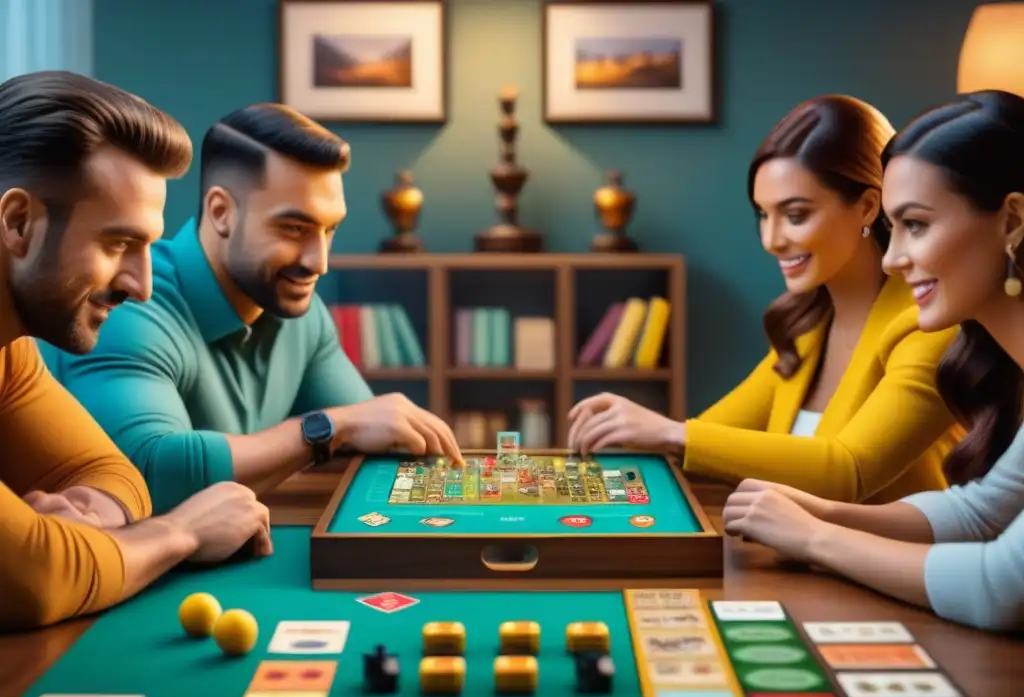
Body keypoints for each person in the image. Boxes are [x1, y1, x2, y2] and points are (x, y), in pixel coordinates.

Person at [42, 103, 463, 514]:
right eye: (294, 229)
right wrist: (328, 429)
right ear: (221, 212)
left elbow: (372, 431)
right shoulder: (132, 306)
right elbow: (146, 470)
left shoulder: (302, 313)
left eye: (329, 229)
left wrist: (360, 428)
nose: (318, 261)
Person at [722, 90, 1024, 633]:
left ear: (1012, 220)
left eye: (917, 225)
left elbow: (1000, 587)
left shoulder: (916, 330)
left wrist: (817, 536)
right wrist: (823, 513)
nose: (892, 257)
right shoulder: (810, 328)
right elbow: (981, 513)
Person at [568, 95, 963, 504]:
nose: (772, 240)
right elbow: (712, 439)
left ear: (867, 206)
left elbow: (849, 470)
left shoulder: (931, 324)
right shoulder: (807, 329)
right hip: (798, 561)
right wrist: (637, 429)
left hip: (898, 566)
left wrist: (669, 432)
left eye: (795, 215)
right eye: (763, 214)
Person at [0, 71, 273, 632]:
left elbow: (108, 473)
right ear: (17, 222)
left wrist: (89, 522)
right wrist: (182, 532)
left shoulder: (10, 354)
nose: (142, 285)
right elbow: (33, 576)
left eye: (148, 246)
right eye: (118, 243)